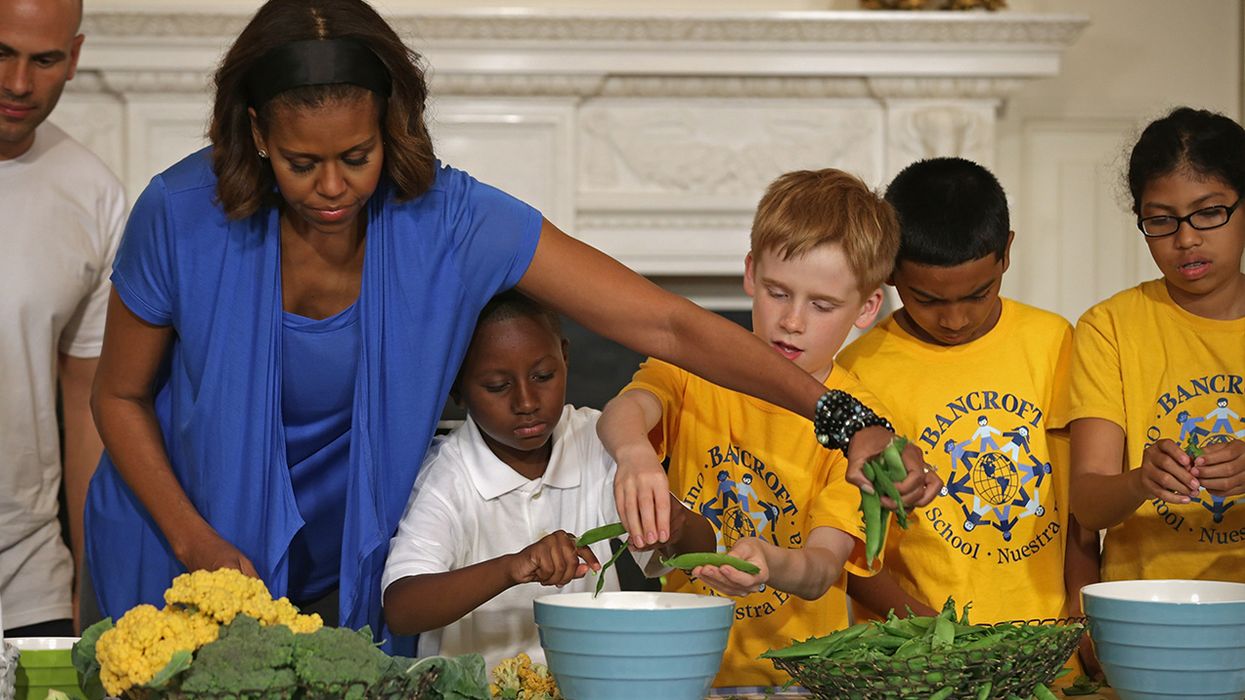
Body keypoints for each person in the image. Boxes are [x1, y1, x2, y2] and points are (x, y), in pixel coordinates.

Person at [83, 0, 918, 648]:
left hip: (358, 549)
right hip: (181, 535)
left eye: (357, 156)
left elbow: (666, 325)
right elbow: (117, 394)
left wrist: (846, 421)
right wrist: (195, 540)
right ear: (258, 133)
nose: (332, 187)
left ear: (390, 126)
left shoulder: (452, 219)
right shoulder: (181, 213)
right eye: (303, 163)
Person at [598, 169, 942, 693]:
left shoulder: (861, 427)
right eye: (777, 292)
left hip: (800, 681)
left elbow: (825, 567)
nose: (792, 321)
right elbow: (624, 410)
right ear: (750, 273)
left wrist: (770, 563)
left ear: (867, 308)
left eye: (822, 305)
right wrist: (634, 453)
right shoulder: (699, 365)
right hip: (680, 669)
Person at [835, 158, 1100, 673]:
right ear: (887, 270)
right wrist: (943, 639)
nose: (955, 319)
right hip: (917, 661)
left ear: (1007, 254)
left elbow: (1078, 509)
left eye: (978, 294)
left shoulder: (1055, 343)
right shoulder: (856, 374)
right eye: (928, 299)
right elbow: (851, 553)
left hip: (1050, 653)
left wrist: (1082, 608)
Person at [380, 291, 714, 669]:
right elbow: (402, 608)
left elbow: (699, 552)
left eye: (543, 376)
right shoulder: (446, 475)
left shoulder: (594, 440)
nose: (526, 401)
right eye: (497, 386)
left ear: (565, 359)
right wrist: (512, 567)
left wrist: (675, 525)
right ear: (457, 388)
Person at [1069, 107, 1245, 582]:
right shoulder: (1110, 327)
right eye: (1161, 220)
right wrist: (1139, 480)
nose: (1186, 239)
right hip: (1149, 612)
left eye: (1209, 213)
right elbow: (1087, 503)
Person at [0, 0, 125, 636]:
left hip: (28, 577)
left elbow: (90, 408)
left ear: (73, 58)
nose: (19, 84)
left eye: (43, 59)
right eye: (1, 52)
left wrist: (88, 592)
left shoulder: (93, 191)